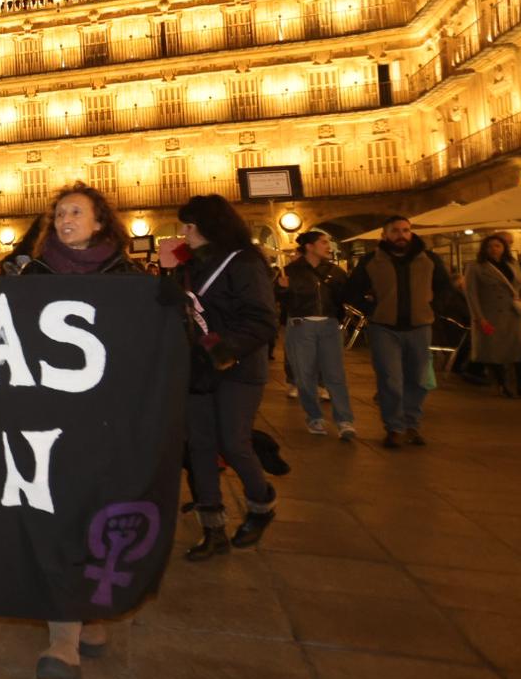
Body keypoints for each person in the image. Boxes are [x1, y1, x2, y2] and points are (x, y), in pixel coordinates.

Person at [0, 183, 140, 679]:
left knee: (96, 514)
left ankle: (91, 613)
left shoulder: (127, 277)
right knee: (55, 515)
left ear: (100, 222)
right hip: (44, 416)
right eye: (58, 214)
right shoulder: (32, 271)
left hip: (106, 417)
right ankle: (63, 638)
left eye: (76, 212)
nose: (65, 219)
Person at [159, 194, 278, 561]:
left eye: (190, 226)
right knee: (201, 448)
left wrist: (224, 351)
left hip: (239, 370)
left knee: (233, 442)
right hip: (198, 369)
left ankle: (261, 505)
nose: (184, 233)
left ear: (211, 226)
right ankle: (213, 530)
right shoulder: (189, 266)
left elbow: (262, 319)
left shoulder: (244, 263)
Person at [345, 215, 454, 449]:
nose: (401, 235)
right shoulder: (371, 261)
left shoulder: (429, 259)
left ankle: (412, 424)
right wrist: (371, 309)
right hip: (384, 328)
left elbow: (445, 287)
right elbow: (352, 291)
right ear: (384, 235)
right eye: (395, 231)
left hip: (419, 327)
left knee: (418, 378)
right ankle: (394, 427)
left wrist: (433, 308)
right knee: (390, 379)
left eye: (406, 230)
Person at [277, 231, 357, 440]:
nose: (328, 246)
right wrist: (282, 290)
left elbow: (345, 297)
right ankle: (314, 417)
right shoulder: (289, 271)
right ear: (310, 247)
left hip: (329, 326)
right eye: (323, 242)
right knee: (304, 377)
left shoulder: (335, 272)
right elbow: (281, 303)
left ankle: (344, 421)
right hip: (301, 326)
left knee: (335, 376)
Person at [464, 234, 521, 399]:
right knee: (495, 353)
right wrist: (479, 318)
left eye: (498, 246)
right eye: (490, 246)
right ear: (484, 249)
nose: (494, 249)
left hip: (515, 314)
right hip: (491, 315)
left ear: (504, 248)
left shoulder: (512, 264)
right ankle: (502, 385)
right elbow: (471, 295)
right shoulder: (476, 266)